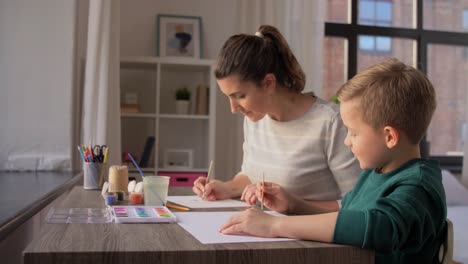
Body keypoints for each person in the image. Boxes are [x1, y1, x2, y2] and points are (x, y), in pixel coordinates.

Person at [219, 58, 447, 264]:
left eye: (353, 132)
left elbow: (379, 227)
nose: (347, 141)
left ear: (389, 136)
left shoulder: (418, 186)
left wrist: (273, 225)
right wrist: (294, 205)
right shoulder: (374, 172)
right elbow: (346, 217)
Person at [192, 25, 361, 210]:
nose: (233, 109)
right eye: (229, 97)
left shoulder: (331, 122)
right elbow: (251, 174)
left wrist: (295, 205)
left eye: (239, 96)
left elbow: (359, 203)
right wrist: (225, 188)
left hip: (311, 236)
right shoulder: (255, 119)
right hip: (265, 230)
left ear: (268, 83)